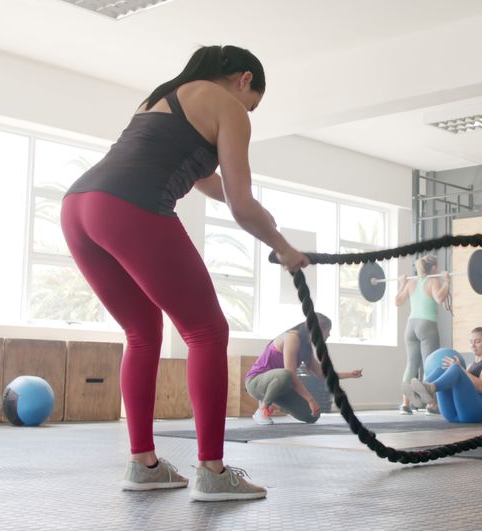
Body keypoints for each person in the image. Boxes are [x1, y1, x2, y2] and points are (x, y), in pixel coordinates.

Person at [61, 45, 309, 501]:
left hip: (79, 207)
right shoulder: (230, 108)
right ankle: (212, 471)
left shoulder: (163, 97)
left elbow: (200, 178)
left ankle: (143, 465)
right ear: (244, 80)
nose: (249, 110)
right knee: (207, 332)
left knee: (141, 332)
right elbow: (240, 204)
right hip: (127, 207)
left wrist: (260, 214)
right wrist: (284, 248)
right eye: (254, 101)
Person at [245, 313, 363, 425]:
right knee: (286, 375)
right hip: (255, 382)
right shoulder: (292, 337)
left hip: (280, 385)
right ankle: (263, 409)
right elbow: (290, 373)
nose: (329, 334)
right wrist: (311, 400)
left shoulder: (306, 346)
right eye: (328, 330)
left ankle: (271, 402)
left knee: (312, 416)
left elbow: (321, 374)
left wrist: (350, 374)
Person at [396, 254, 450, 415]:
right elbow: (440, 298)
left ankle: (405, 404)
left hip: (411, 326)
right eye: (437, 267)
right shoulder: (433, 280)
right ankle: (431, 405)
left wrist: (402, 284)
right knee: (430, 365)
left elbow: (397, 301)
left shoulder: (412, 282)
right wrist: (447, 281)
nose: (438, 269)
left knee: (411, 364)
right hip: (427, 325)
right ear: (433, 268)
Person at [419, 327, 482, 424]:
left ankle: (430, 388)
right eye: (471, 342)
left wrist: (459, 368)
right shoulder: (470, 365)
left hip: (474, 413)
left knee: (455, 368)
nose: (473, 345)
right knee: (442, 370)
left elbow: (481, 387)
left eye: (477, 342)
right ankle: (421, 388)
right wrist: (456, 368)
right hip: (452, 414)